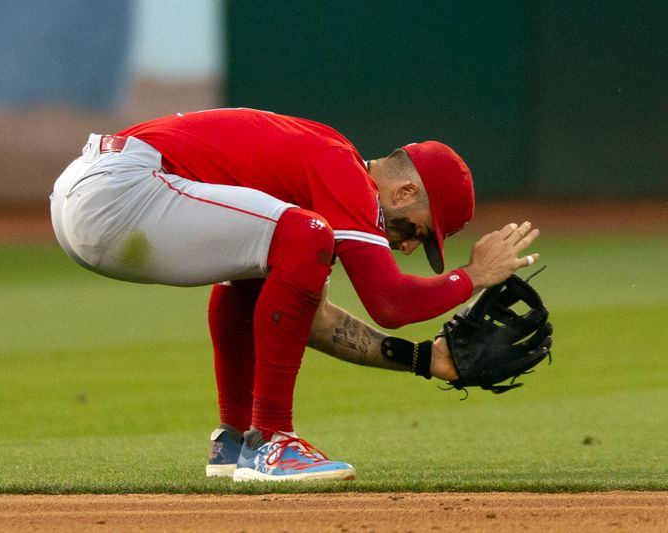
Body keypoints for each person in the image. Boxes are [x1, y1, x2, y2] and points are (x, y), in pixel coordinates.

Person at [50, 108, 539, 482]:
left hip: (92, 193)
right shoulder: (342, 170)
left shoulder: (320, 166)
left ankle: (238, 439)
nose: (408, 246)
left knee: (264, 266)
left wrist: (425, 360)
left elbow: (310, 319)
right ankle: (273, 441)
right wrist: (471, 276)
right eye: (417, 232)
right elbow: (390, 303)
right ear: (405, 192)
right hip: (121, 192)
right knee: (305, 235)